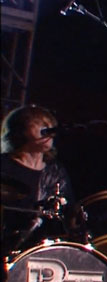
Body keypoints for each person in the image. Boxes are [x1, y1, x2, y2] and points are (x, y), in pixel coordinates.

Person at [1, 105, 75, 258]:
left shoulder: (55, 172)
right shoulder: (4, 165)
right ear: (21, 130)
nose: (49, 129)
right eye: (41, 123)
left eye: (50, 125)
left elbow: (69, 212)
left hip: (41, 250)